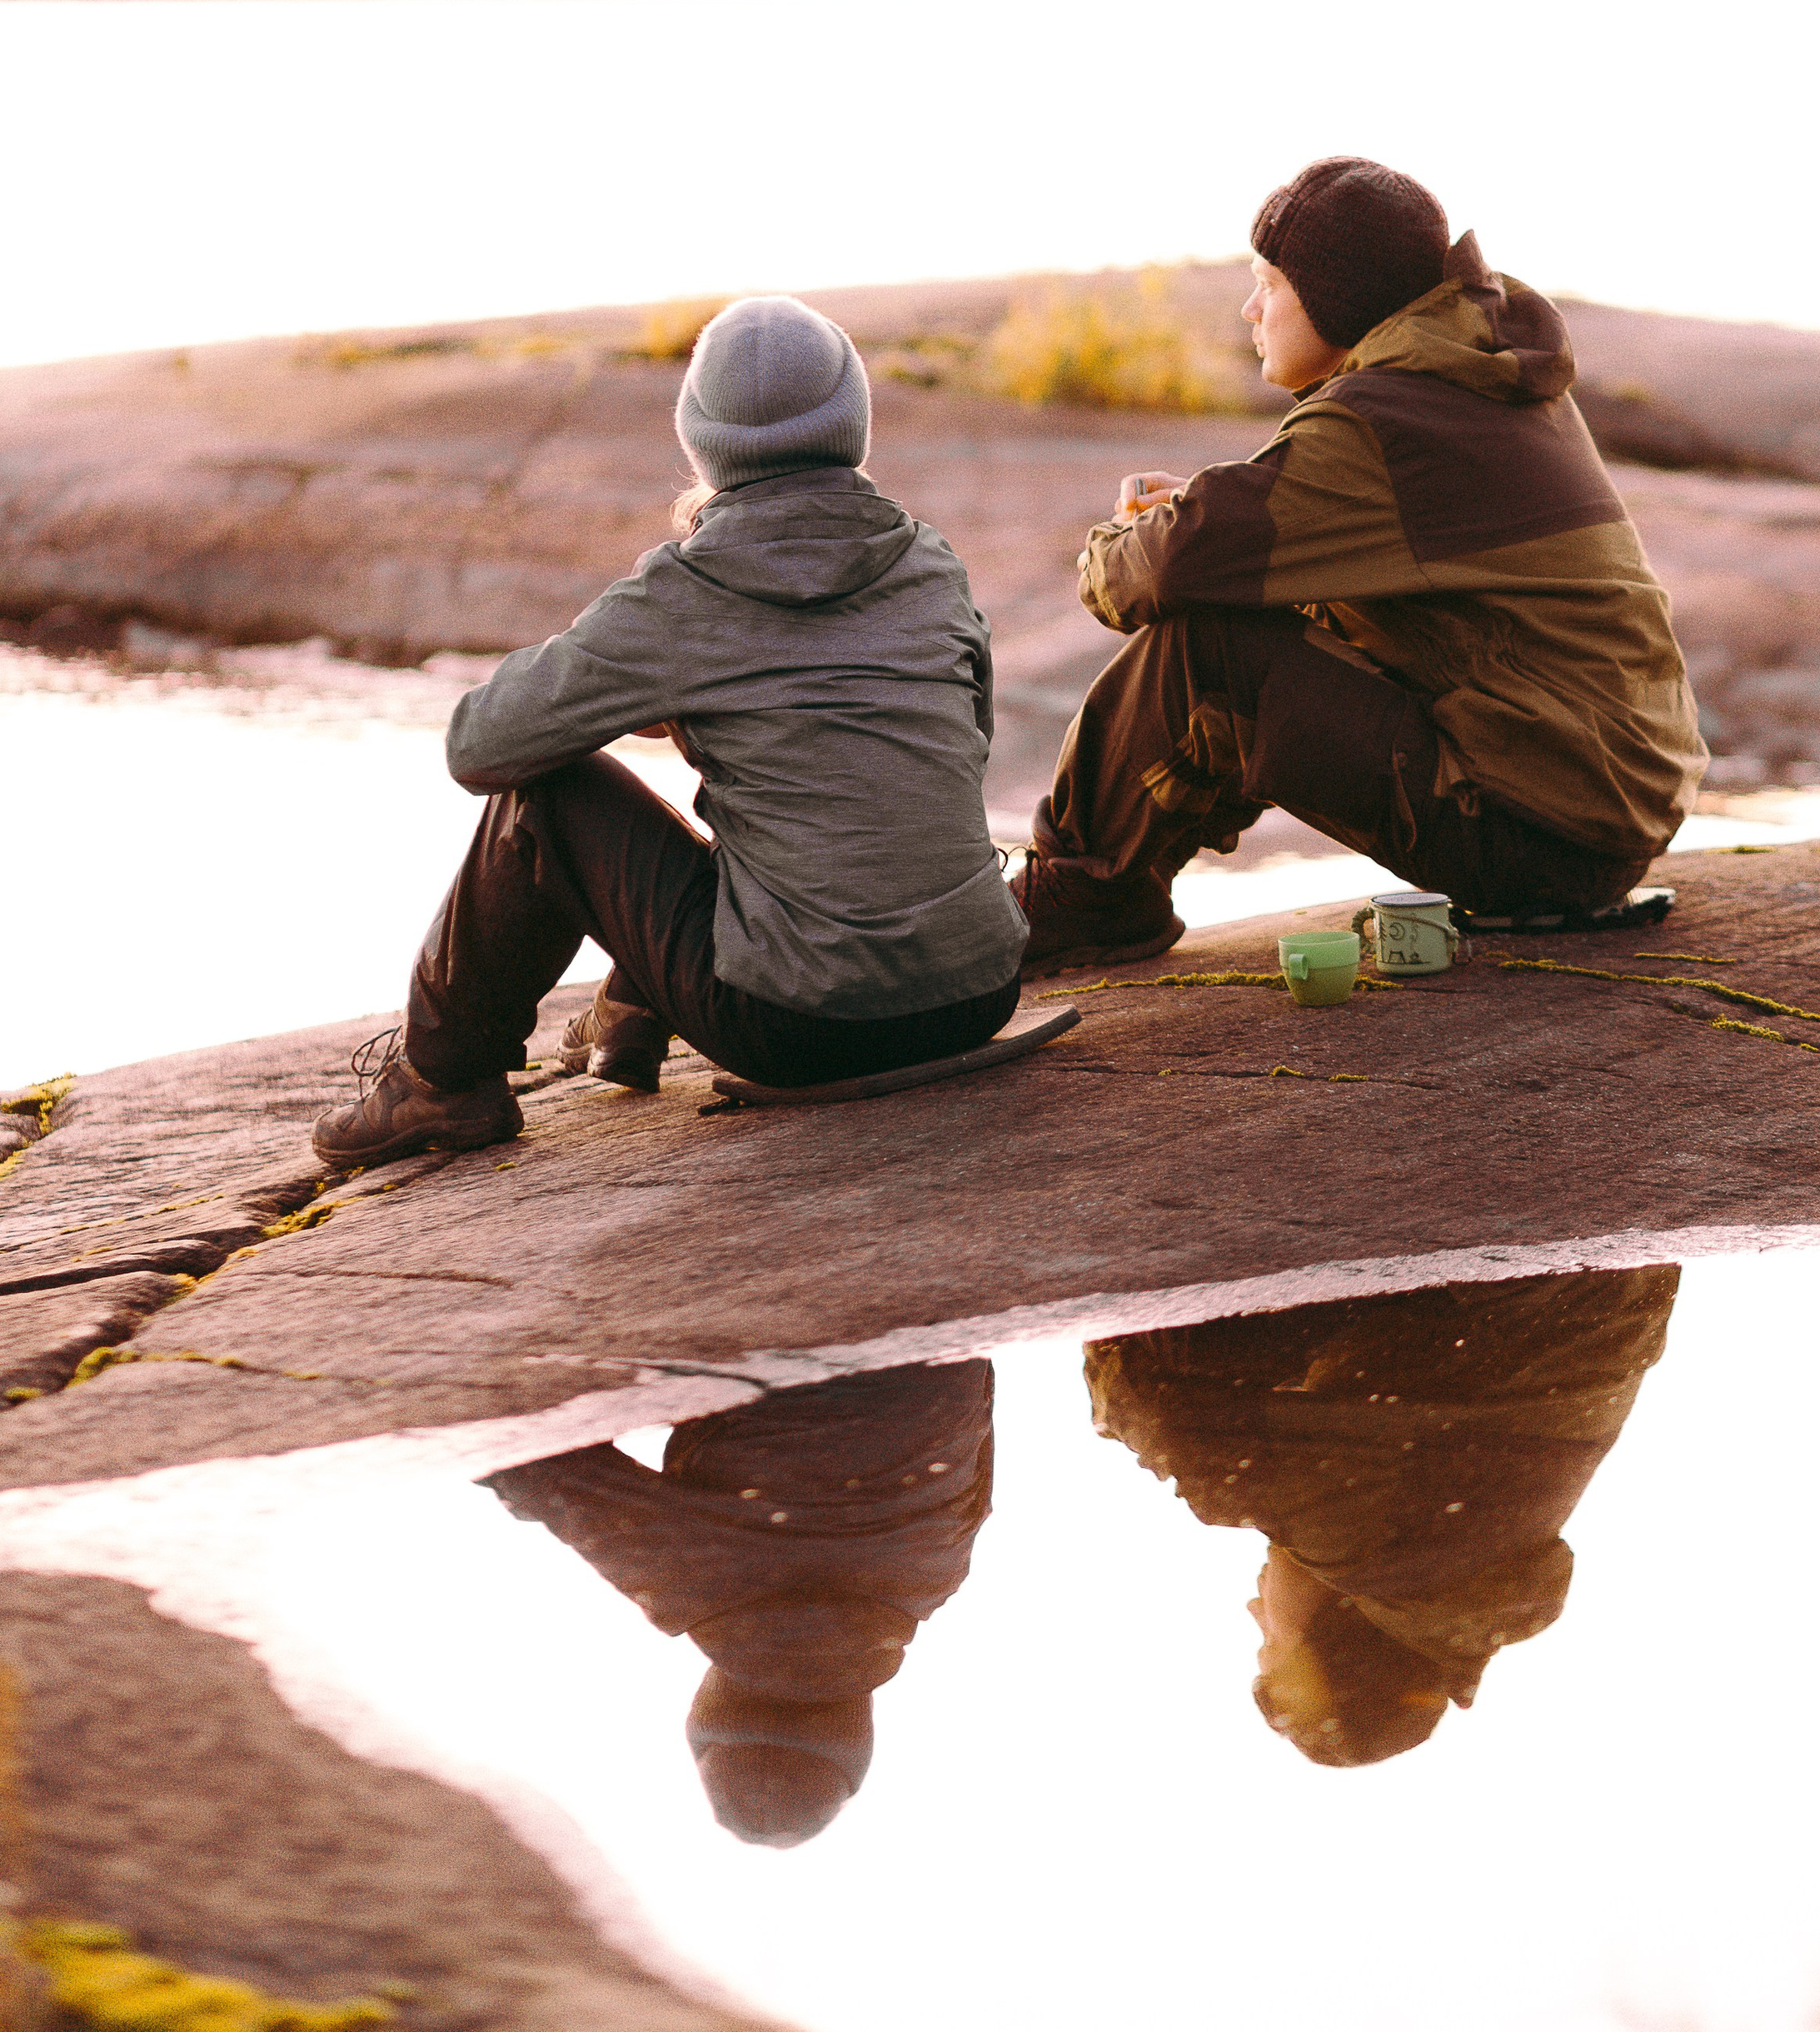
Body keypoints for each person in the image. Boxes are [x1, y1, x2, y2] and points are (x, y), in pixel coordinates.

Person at [312, 296, 1026, 1168]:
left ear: (702, 436)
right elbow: (962, 743)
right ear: (854, 423)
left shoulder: (687, 591)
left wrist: (658, 689)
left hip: (801, 1025)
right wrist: (710, 703)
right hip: (979, 986)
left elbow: (481, 744)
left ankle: (441, 1080)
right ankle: (629, 1014)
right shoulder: (930, 559)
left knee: (548, 795)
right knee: (780, 820)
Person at [1013, 154, 1707, 975]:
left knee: (1210, 648)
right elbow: (1344, 520)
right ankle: (1104, 888)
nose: (1249, 308)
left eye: (1267, 284)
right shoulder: (1475, 378)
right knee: (1261, 597)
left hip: (1540, 837)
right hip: (1594, 818)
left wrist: (1116, 539)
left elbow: (1153, 573)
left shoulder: (1380, 422)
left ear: (1334, 297)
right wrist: (1214, 517)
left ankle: (1080, 896)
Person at [1085, 1267, 1680, 1765]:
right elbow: (1171, 1425)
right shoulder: (1388, 1558)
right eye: (1270, 1635)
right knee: (1188, 1347)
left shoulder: (1460, 1582)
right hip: (1522, 1268)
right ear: (1335, 1638)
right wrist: (1107, 1390)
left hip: (1600, 1280)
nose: (1254, 1608)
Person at [487, 1360, 994, 1846]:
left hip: (932, 1347)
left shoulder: (936, 1574)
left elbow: (977, 1406)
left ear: (859, 1729)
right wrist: (524, 1501)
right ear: (713, 1714)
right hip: (798, 1329)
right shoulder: (692, 1582)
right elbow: (532, 1460)